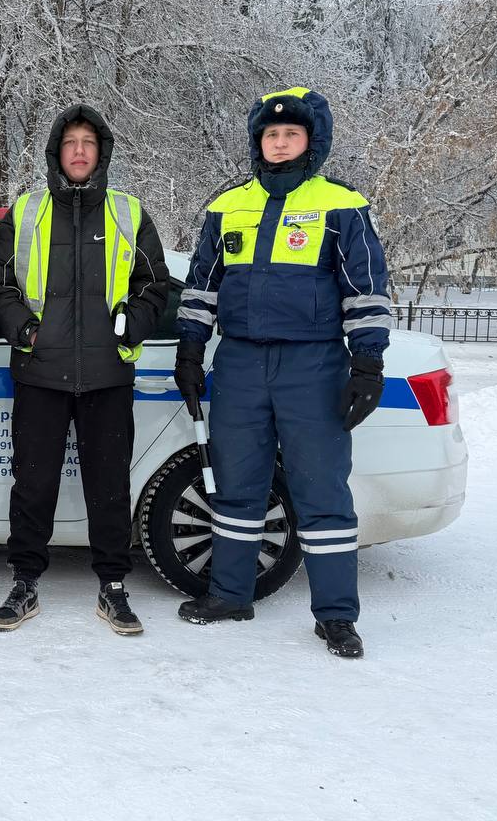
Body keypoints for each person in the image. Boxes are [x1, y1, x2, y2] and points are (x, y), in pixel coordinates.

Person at [173, 86, 391, 658]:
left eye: (291, 134)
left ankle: (337, 616)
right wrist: (190, 349)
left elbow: (365, 290)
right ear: (257, 142)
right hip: (240, 362)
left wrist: (367, 362)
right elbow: (201, 288)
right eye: (270, 134)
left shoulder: (341, 204)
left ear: (311, 142)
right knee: (238, 487)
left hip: (312, 364)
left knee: (320, 492)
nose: (279, 142)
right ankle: (230, 595)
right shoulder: (227, 207)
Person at [0, 105, 170, 634]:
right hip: (39, 374)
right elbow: (0, 286)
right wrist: (25, 330)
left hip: (108, 375)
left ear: (102, 151)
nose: (81, 151)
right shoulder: (26, 212)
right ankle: (24, 583)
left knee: (109, 486)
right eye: (71, 143)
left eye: (90, 142)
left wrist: (130, 324)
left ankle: (113, 587)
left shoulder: (128, 213)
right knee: (33, 483)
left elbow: (155, 284)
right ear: (56, 152)